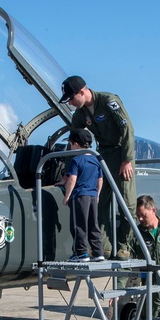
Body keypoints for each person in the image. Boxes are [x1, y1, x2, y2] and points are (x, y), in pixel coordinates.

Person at [60, 76, 137, 259]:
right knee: (99, 201)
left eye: (71, 98)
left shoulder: (108, 101)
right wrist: (67, 172)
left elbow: (127, 129)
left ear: (82, 92)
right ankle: (104, 246)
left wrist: (126, 159)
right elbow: (73, 143)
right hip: (103, 156)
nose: (70, 103)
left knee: (126, 202)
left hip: (121, 153)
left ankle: (124, 245)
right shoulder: (80, 115)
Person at [61, 128, 104, 262]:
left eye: (71, 143)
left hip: (80, 196)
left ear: (76, 144)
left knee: (79, 225)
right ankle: (98, 252)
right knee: (93, 224)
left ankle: (80, 253)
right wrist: (97, 194)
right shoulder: (96, 160)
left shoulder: (76, 160)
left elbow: (72, 179)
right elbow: (100, 180)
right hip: (92, 195)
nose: (70, 146)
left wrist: (67, 196)